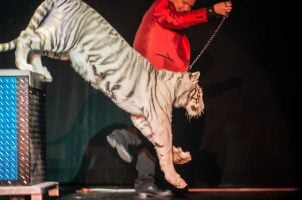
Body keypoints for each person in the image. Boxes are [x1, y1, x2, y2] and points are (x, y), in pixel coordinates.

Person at [107, 0, 232, 198]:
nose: (186, 8)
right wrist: (209, 12)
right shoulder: (162, 6)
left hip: (161, 82)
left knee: (157, 129)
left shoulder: (174, 17)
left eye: (190, 7)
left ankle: (144, 180)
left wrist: (227, 86)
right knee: (159, 130)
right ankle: (124, 137)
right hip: (150, 76)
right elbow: (174, 19)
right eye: (184, 3)